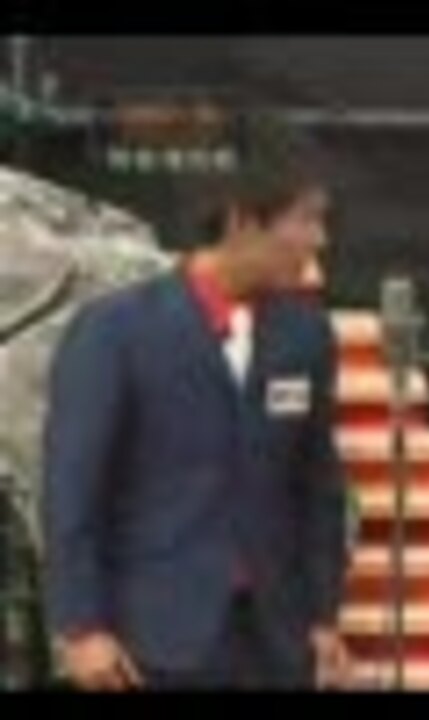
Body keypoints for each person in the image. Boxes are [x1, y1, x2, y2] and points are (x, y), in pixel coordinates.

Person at [42, 115, 352, 690]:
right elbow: (73, 491)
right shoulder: (114, 332)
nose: (320, 240)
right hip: (152, 643)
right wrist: (81, 627)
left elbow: (318, 489)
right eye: (307, 218)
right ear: (241, 219)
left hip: (276, 643)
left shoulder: (306, 335)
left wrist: (323, 617)